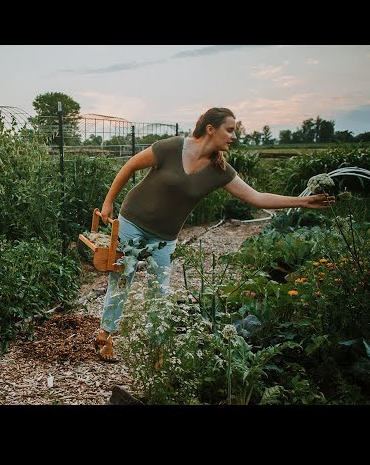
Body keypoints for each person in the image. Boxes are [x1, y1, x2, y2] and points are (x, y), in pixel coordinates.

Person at [93, 107, 334, 362]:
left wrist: (302, 202)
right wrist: (109, 202)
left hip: (164, 238)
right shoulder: (172, 147)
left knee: (159, 293)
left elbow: (256, 197)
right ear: (211, 129)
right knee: (122, 280)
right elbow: (129, 166)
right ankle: (105, 337)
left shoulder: (220, 171)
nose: (233, 136)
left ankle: (157, 350)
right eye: (229, 130)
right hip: (133, 222)